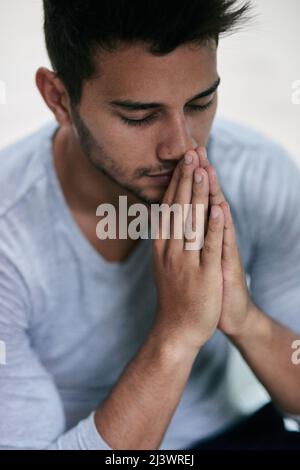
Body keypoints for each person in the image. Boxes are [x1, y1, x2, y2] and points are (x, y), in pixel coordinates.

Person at [0, 0, 299, 450]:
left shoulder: (259, 175)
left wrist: (244, 319)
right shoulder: (10, 234)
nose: (182, 145)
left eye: (200, 103)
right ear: (59, 99)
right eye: (139, 116)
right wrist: (175, 336)